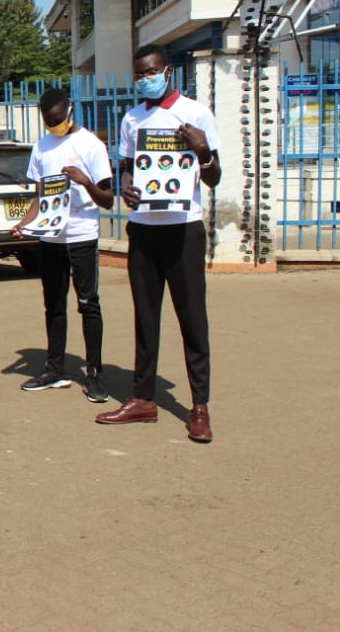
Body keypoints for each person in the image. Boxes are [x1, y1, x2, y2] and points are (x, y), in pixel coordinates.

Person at [95, 44, 222, 442]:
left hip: (183, 229)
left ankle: (199, 407)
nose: (145, 78)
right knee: (146, 318)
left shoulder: (196, 113)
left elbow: (214, 177)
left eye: (150, 71)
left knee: (192, 319)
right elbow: (129, 169)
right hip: (144, 228)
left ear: (167, 70)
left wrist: (201, 150)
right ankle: (143, 399)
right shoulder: (133, 118)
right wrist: (128, 188)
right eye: (138, 74)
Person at [10, 88, 113, 402]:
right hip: (50, 237)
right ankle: (54, 369)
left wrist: (85, 181)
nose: (54, 125)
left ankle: (93, 373)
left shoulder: (90, 145)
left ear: (70, 110)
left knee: (88, 303)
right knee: (53, 304)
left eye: (59, 119)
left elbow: (107, 200)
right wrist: (25, 224)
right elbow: (40, 198)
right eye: (48, 121)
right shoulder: (41, 147)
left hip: (81, 235)